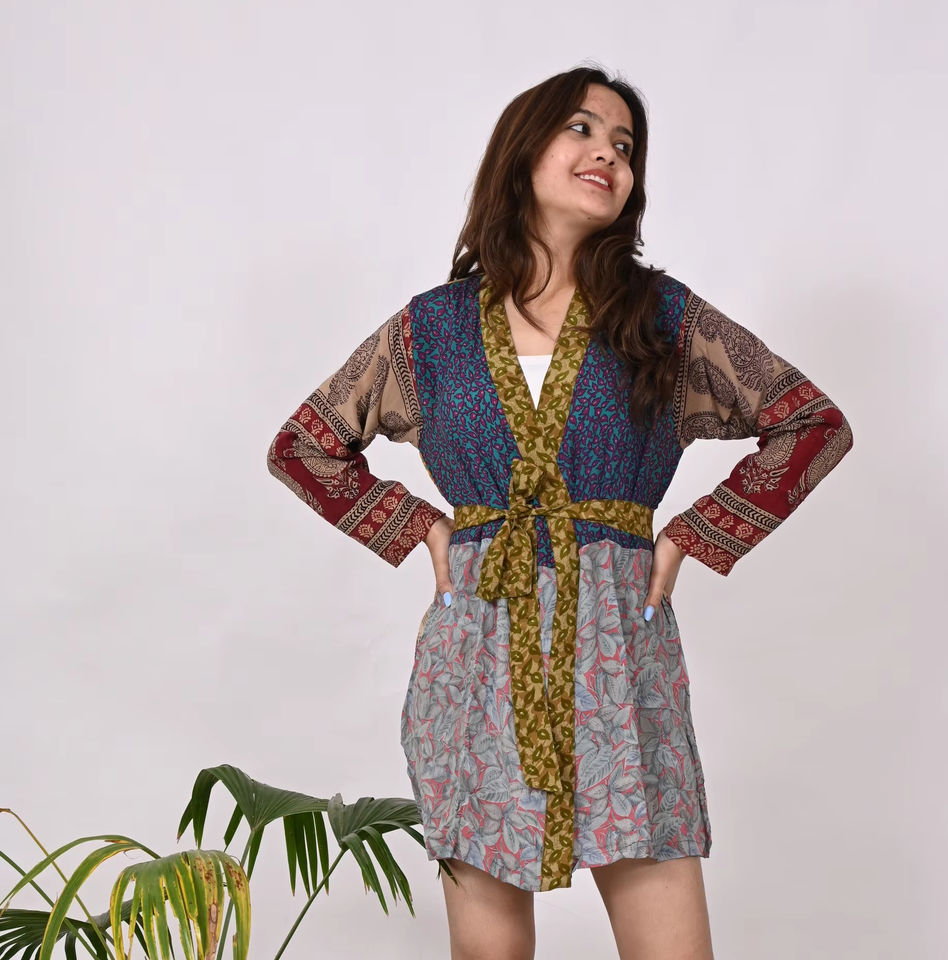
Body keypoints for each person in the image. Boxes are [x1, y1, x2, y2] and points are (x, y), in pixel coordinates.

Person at [266, 64, 854, 960]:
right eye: (582, 129)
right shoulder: (433, 330)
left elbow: (812, 424)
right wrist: (422, 527)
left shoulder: (661, 316)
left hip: (618, 644)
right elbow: (303, 446)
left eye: (624, 145)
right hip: (478, 651)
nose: (607, 153)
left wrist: (690, 536)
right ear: (523, 150)